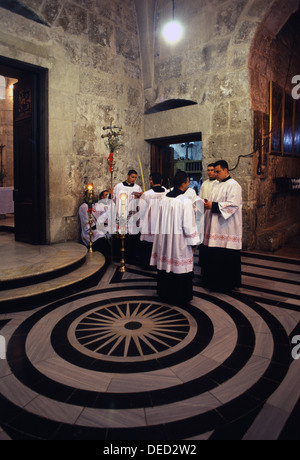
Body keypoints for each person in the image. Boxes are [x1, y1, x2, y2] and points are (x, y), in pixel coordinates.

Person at [150, 171, 200, 305]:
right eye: (188, 181)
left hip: (165, 240)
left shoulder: (164, 198)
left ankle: (165, 292)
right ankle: (180, 296)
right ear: (185, 183)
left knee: (167, 265)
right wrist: (194, 242)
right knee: (178, 266)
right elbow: (188, 225)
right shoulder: (185, 201)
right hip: (179, 242)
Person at [202, 160, 243, 291]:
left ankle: (226, 284)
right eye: (214, 171)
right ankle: (212, 281)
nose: (215, 174)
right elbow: (212, 200)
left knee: (225, 256)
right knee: (214, 256)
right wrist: (206, 202)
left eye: (218, 171)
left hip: (227, 227)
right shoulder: (215, 184)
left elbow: (233, 204)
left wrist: (213, 205)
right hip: (214, 225)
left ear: (226, 170)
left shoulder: (233, 185)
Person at [113, 170, 143, 262]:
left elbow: (140, 201)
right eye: (132, 177)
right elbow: (114, 200)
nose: (133, 179)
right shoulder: (118, 186)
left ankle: (131, 256)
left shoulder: (138, 188)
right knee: (123, 235)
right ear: (127, 176)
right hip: (122, 214)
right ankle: (122, 255)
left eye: (135, 177)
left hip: (133, 215)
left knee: (133, 236)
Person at [139, 172, 167, 269]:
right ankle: (160, 263)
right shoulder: (167, 193)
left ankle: (148, 264)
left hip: (149, 223)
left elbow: (141, 211)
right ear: (162, 180)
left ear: (151, 181)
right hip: (163, 223)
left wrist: (141, 224)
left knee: (148, 244)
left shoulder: (147, 194)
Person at [78, 190, 111, 260]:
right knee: (101, 239)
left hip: (98, 228)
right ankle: (104, 258)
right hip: (89, 233)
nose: (91, 196)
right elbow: (86, 223)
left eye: (92, 194)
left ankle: (107, 257)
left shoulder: (95, 205)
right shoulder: (83, 207)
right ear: (85, 196)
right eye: (89, 194)